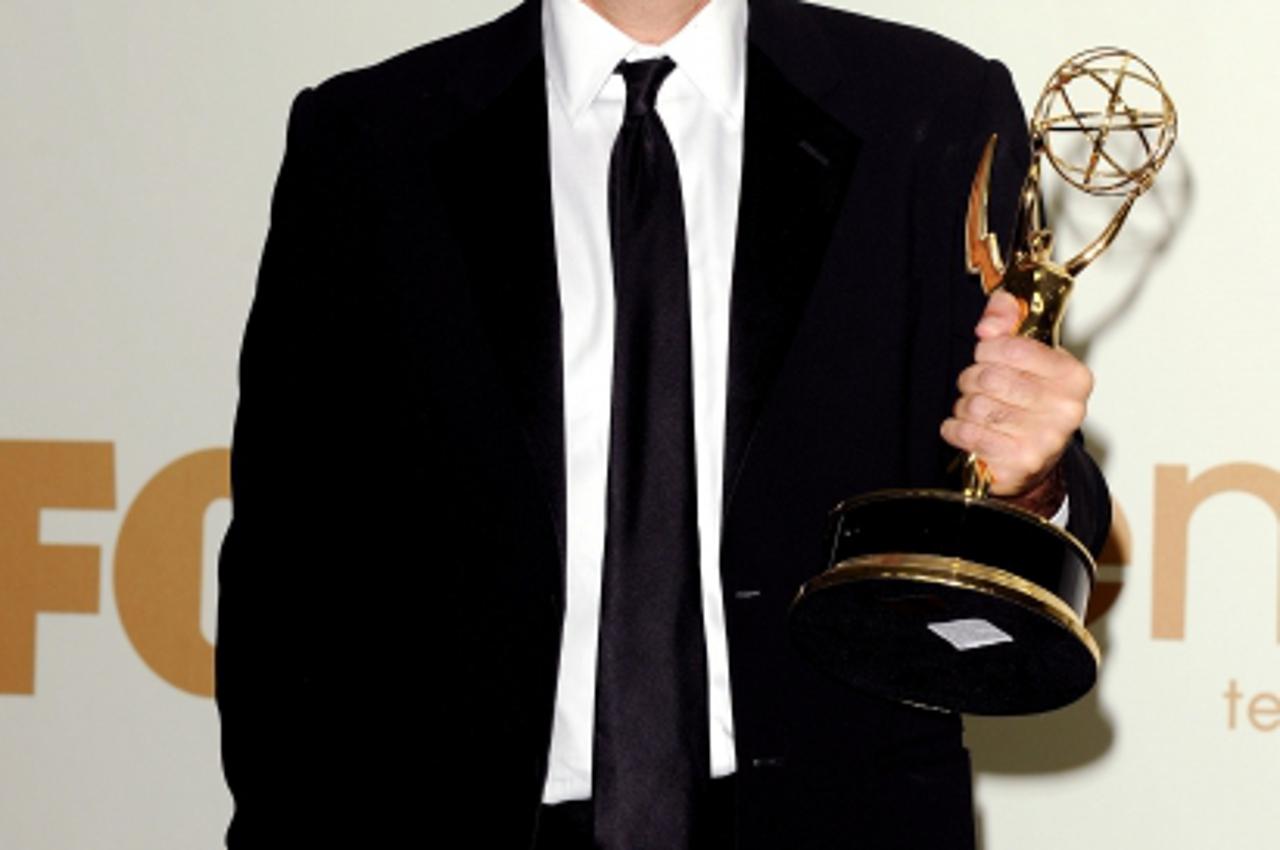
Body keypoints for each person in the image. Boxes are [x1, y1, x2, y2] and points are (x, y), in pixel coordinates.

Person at [215, 0, 1110, 848]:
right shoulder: (371, 137)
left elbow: (989, 529)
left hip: (831, 819)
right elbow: (287, 572)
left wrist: (1029, 481)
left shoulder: (934, 108)